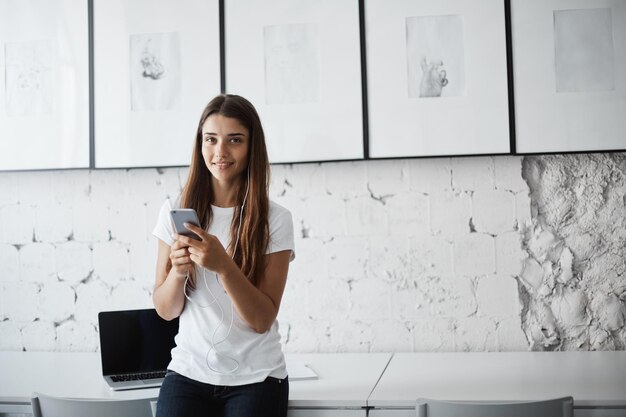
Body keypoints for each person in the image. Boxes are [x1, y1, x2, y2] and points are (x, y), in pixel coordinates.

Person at [152, 94, 295, 417]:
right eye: (211, 139)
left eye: (234, 140)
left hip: (257, 378)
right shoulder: (175, 210)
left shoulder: (276, 219)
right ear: (199, 144)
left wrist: (224, 267)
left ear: (251, 147)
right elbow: (165, 309)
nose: (220, 152)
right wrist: (177, 273)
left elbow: (261, 320)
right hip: (188, 373)